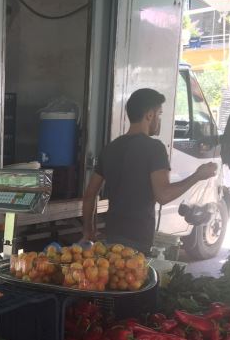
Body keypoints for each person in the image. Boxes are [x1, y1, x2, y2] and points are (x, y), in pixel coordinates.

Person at [81, 87, 217, 253]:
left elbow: (89, 195)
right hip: (137, 239)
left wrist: (89, 229)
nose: (159, 120)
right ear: (149, 115)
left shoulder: (111, 148)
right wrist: (198, 175)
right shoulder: (154, 148)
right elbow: (164, 195)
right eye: (159, 114)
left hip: (111, 235)